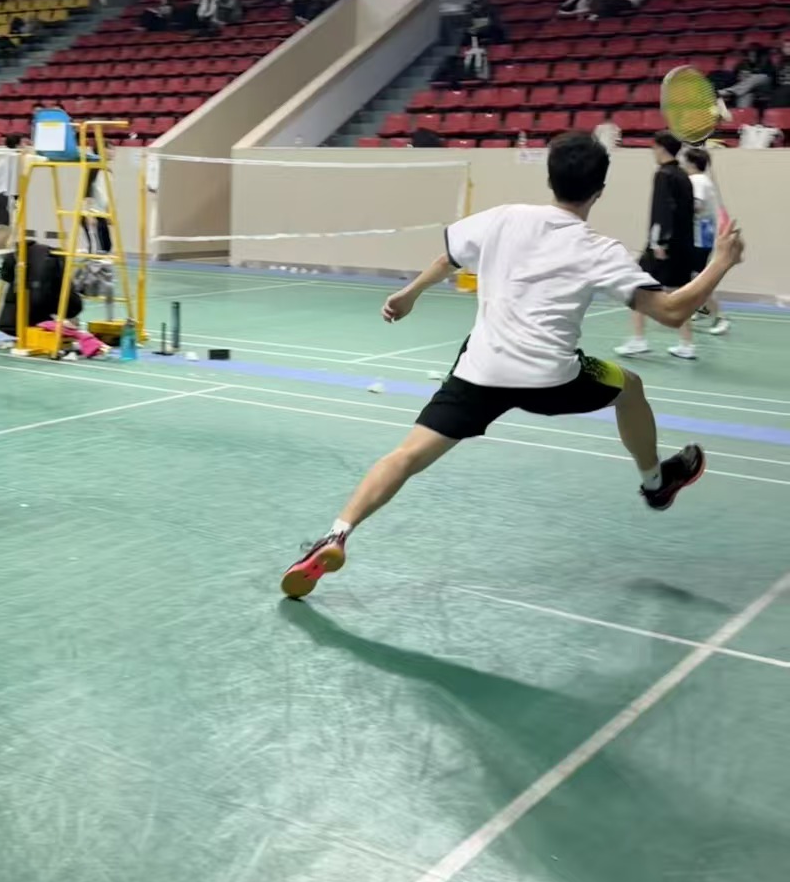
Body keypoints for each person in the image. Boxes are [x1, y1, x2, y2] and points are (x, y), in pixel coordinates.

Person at [281, 132, 745, 599]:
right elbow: (670, 312)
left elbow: (448, 257)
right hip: (553, 378)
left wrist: (409, 294)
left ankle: (338, 533)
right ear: (599, 192)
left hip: (480, 373)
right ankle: (655, 482)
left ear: (550, 178)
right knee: (630, 385)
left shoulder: (504, 217)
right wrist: (720, 263)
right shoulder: (598, 249)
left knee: (406, 456)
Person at [617, 132, 697, 360]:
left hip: (663, 246)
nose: (653, 151)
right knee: (679, 293)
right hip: (683, 245)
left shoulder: (663, 174)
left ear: (661, 148)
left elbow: (662, 210)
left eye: (654, 147)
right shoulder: (683, 175)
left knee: (637, 287)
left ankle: (638, 340)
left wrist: (659, 242)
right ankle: (687, 344)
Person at [682, 145, 729, 338]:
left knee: (698, 278)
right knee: (693, 276)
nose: (682, 164)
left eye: (685, 161)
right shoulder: (704, 180)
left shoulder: (697, 181)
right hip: (704, 235)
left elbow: (697, 206)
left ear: (692, 163)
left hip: (699, 236)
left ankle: (720, 317)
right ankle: (702, 309)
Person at [0, 133, 21, 249]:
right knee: (4, 231)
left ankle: (2, 254)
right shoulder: (11, 157)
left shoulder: (10, 157)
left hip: (10, 196)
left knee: (9, 231)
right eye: (23, 143)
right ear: (18, 144)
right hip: (5, 196)